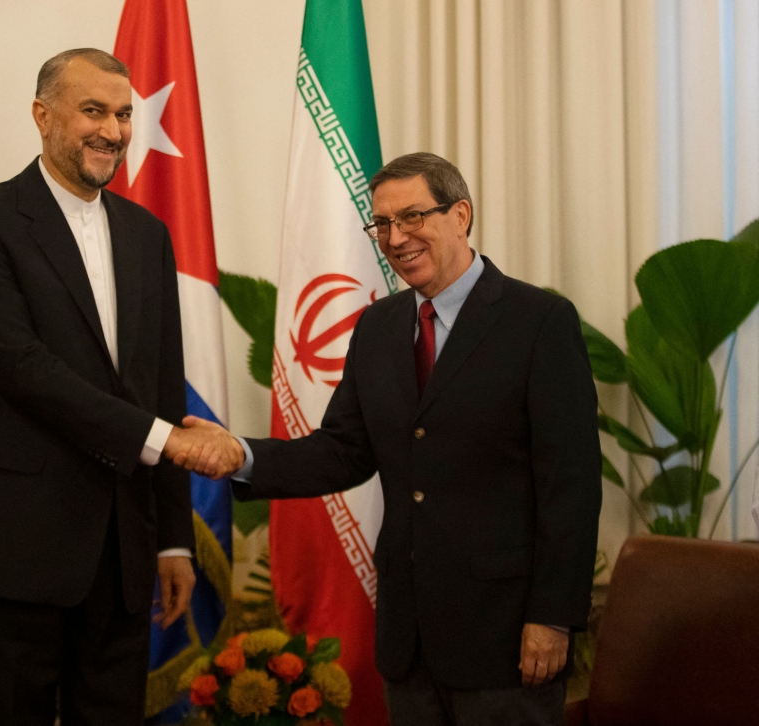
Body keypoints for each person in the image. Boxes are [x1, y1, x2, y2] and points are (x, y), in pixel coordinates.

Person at [169, 153, 603, 726]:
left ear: (461, 215)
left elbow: (570, 485)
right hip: (409, 637)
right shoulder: (378, 327)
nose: (396, 238)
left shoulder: (539, 321)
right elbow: (343, 450)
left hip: (506, 636)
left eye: (413, 217)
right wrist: (242, 456)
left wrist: (552, 617)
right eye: (383, 224)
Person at [0, 48, 216, 726]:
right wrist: (161, 440)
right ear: (43, 115)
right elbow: (22, 367)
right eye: (94, 111)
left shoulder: (148, 235)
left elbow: (160, 386)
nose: (113, 132)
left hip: (121, 558)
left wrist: (173, 539)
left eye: (123, 115)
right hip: (13, 555)